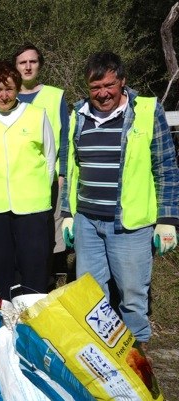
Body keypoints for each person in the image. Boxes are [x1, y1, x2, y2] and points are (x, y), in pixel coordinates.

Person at [61, 51, 179, 347]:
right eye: (95, 87)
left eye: (109, 86)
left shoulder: (147, 112)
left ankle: (137, 352)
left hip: (130, 225)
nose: (102, 94)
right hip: (87, 222)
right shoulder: (78, 115)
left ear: (123, 82)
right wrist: (67, 212)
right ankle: (100, 352)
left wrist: (167, 220)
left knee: (131, 294)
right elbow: (70, 168)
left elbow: (166, 167)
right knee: (90, 292)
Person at [0, 61, 56, 300]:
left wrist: (36, 187)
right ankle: (4, 318)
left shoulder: (37, 116)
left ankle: (32, 318)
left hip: (33, 205)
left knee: (34, 264)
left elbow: (49, 158)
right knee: (0, 264)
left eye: (9, 88)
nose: (4, 95)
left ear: (18, 89)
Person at [13, 43, 71, 282]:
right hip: (16, 181)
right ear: (15, 67)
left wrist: (63, 173)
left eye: (32, 61)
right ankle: (23, 284)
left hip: (50, 180)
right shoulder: (6, 95)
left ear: (40, 65)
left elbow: (66, 138)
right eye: (22, 62)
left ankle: (47, 283)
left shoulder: (55, 96)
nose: (28, 66)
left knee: (50, 235)